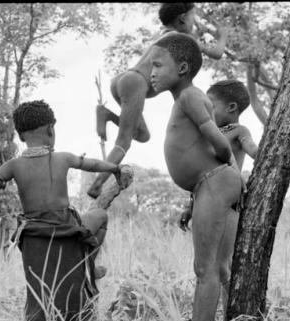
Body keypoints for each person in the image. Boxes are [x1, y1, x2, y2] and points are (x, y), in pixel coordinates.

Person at [0, 100, 132, 321]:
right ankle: (89, 262)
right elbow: (93, 164)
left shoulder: (13, 165)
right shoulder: (63, 158)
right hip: (67, 231)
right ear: (50, 129)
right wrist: (115, 168)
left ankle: (88, 265)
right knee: (100, 216)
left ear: (20, 134)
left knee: (92, 218)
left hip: (35, 235)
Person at [150, 32, 243, 321]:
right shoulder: (184, 99)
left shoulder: (190, 96)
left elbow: (216, 141)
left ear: (183, 67)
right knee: (216, 268)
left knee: (205, 269)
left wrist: (224, 171)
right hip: (208, 185)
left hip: (214, 181)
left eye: (157, 65)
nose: (151, 72)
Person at [88, 2, 229, 199]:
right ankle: (97, 184)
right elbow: (217, 53)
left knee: (143, 135)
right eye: (192, 18)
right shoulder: (179, 39)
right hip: (134, 83)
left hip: (122, 80)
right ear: (182, 19)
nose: (194, 24)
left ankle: (107, 115)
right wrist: (223, 35)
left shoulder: (165, 35)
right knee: (123, 142)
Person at [179, 79, 259, 230]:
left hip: (226, 200)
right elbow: (200, 175)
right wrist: (190, 209)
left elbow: (254, 150)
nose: (206, 112)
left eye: (211, 107)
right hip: (203, 200)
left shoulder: (239, 131)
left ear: (231, 107)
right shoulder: (207, 135)